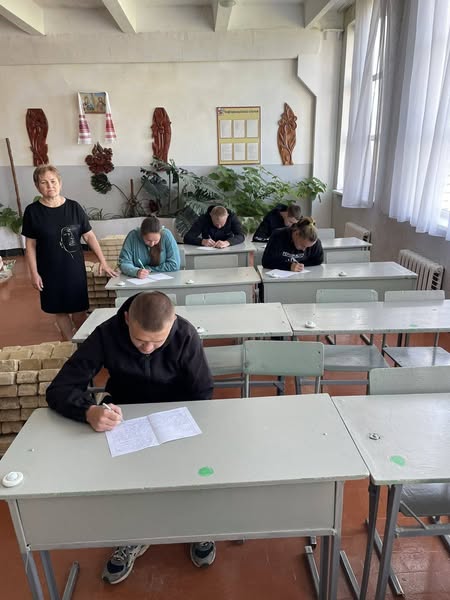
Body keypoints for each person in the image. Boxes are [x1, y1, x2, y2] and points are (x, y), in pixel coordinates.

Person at [46, 291, 215, 584]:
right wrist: (88, 411)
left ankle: (197, 524)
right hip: (125, 417)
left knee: (189, 472)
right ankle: (133, 533)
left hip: (175, 415)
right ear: (126, 319)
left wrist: (183, 422)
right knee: (128, 481)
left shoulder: (185, 334)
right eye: (139, 341)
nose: (147, 349)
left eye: (157, 342)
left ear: (172, 323)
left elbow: (202, 393)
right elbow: (59, 389)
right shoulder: (107, 334)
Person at [21, 165, 117, 341]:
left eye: (53, 181)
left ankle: (86, 344)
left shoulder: (74, 207)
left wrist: (103, 261)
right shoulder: (32, 211)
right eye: (44, 182)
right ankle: (70, 345)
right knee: (60, 312)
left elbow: (89, 236)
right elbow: (30, 245)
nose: (50, 186)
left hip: (73, 270)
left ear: (60, 183)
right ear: (37, 186)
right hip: (49, 271)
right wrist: (34, 273)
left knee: (79, 312)